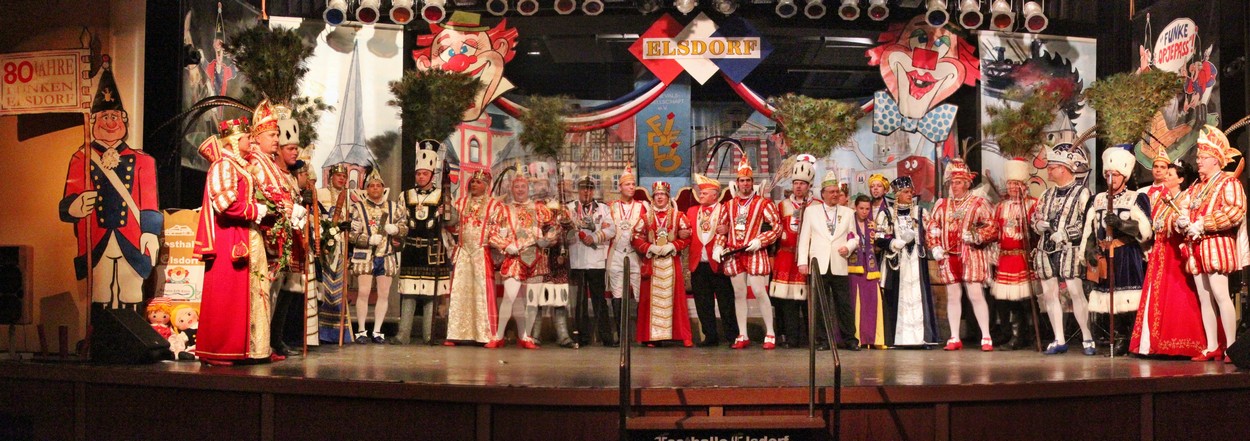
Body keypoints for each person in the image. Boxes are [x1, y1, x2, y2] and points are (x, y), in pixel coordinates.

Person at [59, 60, 162, 314]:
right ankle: (101, 343)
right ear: (94, 121)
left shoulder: (143, 161)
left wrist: (149, 231)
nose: (110, 122)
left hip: (131, 236)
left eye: (114, 116)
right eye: (104, 116)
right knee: (100, 291)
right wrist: (75, 205)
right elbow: (66, 205)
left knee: (131, 289)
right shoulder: (81, 158)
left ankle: (131, 344)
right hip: (97, 237)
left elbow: (148, 200)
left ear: (123, 120)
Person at [192, 117, 273, 366]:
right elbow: (223, 202)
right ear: (236, 141)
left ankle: (252, 348)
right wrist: (255, 210)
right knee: (229, 294)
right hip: (231, 236)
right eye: (248, 138)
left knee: (253, 292)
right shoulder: (223, 165)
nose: (251, 142)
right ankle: (224, 348)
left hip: (246, 232)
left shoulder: (239, 166)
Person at [1180, 125, 1246, 363]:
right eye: (1198, 157)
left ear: (1216, 160)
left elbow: (1235, 211)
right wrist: (1183, 221)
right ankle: (1211, 346)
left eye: (1203, 157)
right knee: (1204, 298)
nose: (1198, 161)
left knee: (1220, 294)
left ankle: (1231, 347)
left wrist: (1204, 223)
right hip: (1196, 247)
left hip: (1217, 245)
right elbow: (1184, 207)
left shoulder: (1228, 183)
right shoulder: (1197, 187)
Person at [1130, 152, 1205, 358]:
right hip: (1160, 252)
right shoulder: (1165, 200)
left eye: (1171, 174)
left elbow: (1182, 225)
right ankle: (1153, 343)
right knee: (1157, 296)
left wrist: (1179, 222)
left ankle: (1178, 343)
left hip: (1175, 254)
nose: (1167, 177)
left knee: (1177, 295)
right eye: (1167, 174)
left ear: (1180, 179)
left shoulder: (1185, 199)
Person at [1081, 145, 1152, 356]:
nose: (1111, 178)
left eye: (1115, 174)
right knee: (1108, 300)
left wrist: (1121, 224)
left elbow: (1146, 231)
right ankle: (1114, 334)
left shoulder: (1136, 198)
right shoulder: (1098, 199)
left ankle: (1128, 337)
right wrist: (1089, 251)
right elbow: (1089, 230)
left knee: (1127, 299)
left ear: (1125, 176)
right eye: (1108, 174)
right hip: (1105, 254)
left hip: (1126, 254)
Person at [927, 159, 995, 351]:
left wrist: (975, 235)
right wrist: (935, 247)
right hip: (949, 257)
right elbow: (933, 226)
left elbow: (992, 227)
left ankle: (986, 336)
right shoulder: (942, 205)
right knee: (953, 295)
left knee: (975, 294)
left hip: (971, 255)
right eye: (952, 182)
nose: (954, 186)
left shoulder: (978, 203)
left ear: (966, 183)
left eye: (958, 182)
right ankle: (954, 336)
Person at [396, 141, 456, 345]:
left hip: (433, 248)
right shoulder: (405, 195)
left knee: (431, 295)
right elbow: (400, 220)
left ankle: (429, 335)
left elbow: (453, 221)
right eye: (418, 173)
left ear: (431, 175)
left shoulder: (442, 195)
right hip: (412, 248)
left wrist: (445, 212)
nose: (420, 177)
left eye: (424, 173)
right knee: (409, 294)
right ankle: (403, 335)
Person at [488, 166, 554, 349]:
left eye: (523, 186)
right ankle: (498, 335)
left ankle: (526, 335)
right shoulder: (504, 210)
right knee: (509, 298)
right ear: (512, 189)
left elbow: (554, 229)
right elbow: (491, 233)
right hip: (515, 258)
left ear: (528, 189)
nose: (520, 190)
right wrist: (505, 245)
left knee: (531, 301)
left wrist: (547, 240)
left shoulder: (540, 209)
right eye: (516, 186)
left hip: (536, 258)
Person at [718, 156, 780, 350]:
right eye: (742, 181)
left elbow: (777, 227)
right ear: (737, 183)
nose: (745, 184)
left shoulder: (763, 203)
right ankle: (742, 333)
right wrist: (719, 246)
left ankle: (770, 332)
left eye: (748, 180)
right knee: (739, 293)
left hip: (755, 251)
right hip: (734, 253)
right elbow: (722, 228)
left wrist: (760, 241)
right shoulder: (728, 205)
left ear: (753, 183)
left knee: (760, 291)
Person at [797, 171, 860, 351]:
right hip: (818, 264)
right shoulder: (811, 211)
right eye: (831, 191)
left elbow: (855, 237)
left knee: (844, 304)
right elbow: (804, 238)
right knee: (819, 305)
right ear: (823, 193)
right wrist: (803, 261)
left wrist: (848, 247)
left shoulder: (848, 213)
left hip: (839, 262)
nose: (834, 195)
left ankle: (850, 339)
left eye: (837, 192)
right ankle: (822, 340)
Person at [267, 108, 312, 356]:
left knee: (287, 292)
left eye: (296, 148)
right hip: (275, 241)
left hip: (292, 240)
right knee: (274, 292)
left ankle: (278, 338)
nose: (295, 152)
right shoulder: (272, 172)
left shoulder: (292, 177)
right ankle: (269, 339)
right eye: (291, 148)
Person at [876, 176, 939, 347]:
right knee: (898, 296)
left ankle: (920, 338)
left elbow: (932, 230)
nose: (909, 194)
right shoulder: (886, 214)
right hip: (897, 262)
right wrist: (892, 242)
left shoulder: (920, 212)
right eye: (905, 192)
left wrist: (935, 246)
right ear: (896, 194)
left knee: (918, 296)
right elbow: (878, 237)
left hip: (916, 262)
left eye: (911, 191)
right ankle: (898, 338)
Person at [348, 170, 408, 344]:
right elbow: (351, 235)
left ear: (383, 188)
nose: (375, 188)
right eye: (372, 186)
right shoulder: (358, 208)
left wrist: (396, 230)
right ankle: (360, 330)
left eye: (378, 185)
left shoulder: (394, 207)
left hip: (386, 254)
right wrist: (367, 239)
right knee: (364, 292)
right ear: (367, 189)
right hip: (365, 255)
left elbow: (404, 228)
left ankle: (377, 330)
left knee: (383, 293)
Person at [446, 170, 506, 345]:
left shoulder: (494, 206)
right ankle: (456, 334)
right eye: (472, 182)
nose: (474, 185)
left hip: (481, 251)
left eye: (478, 183)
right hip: (464, 251)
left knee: (482, 292)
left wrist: (493, 242)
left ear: (486, 186)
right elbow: (453, 226)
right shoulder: (460, 203)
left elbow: (498, 229)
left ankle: (486, 334)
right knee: (460, 291)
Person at [631, 181, 693, 347]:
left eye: (662, 195)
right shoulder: (645, 218)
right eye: (657, 195)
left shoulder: (678, 216)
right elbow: (635, 237)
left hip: (672, 263)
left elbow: (688, 235)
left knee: (677, 300)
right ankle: (652, 337)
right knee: (650, 301)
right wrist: (649, 247)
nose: (659, 197)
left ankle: (682, 335)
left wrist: (673, 246)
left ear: (668, 197)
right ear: (653, 198)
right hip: (653, 263)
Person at [770, 155, 820, 348]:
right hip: (787, 257)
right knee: (788, 302)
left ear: (809, 185)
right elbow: (775, 232)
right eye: (796, 183)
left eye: (803, 184)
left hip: (808, 258)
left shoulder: (817, 205)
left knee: (810, 301)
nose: (799, 187)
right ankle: (791, 338)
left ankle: (812, 338)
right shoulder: (782, 206)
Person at [988, 159, 1038, 350]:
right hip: (1006, 257)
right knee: (1009, 301)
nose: (1012, 187)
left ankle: (1034, 335)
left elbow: (1037, 232)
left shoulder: (1032, 205)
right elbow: (994, 230)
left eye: (1016, 184)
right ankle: (1017, 336)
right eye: (1009, 183)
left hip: (1023, 257)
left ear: (1023, 185)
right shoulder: (1001, 206)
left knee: (1027, 300)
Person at [686, 174, 738, 347]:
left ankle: (732, 335)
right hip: (698, 264)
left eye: (704, 193)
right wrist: (681, 234)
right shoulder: (692, 211)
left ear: (714, 195)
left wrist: (728, 229)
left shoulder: (725, 210)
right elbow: (686, 231)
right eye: (700, 193)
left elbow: (739, 231)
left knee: (726, 302)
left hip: (718, 263)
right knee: (703, 303)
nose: (700, 195)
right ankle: (710, 336)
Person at [567, 176, 617, 347]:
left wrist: (595, 237)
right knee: (579, 301)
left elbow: (611, 229)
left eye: (589, 188)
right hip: (578, 260)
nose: (586, 192)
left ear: (593, 190)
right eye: (583, 188)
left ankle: (606, 336)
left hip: (596, 261)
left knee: (599, 299)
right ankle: (581, 336)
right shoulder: (570, 208)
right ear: (578, 190)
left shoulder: (602, 209)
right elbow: (563, 229)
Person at [607, 166, 646, 341]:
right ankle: (620, 333)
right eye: (628, 184)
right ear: (620, 187)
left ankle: (639, 332)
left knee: (638, 292)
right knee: (617, 293)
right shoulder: (611, 206)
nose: (632, 187)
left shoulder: (642, 206)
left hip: (634, 254)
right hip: (616, 254)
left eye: (633, 184)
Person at [316, 163, 353, 342]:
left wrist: (348, 227)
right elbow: (316, 216)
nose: (341, 179)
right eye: (338, 176)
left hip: (340, 247)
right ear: (331, 177)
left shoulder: (347, 198)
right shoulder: (321, 194)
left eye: (344, 177)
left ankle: (336, 333)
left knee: (338, 287)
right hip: (324, 247)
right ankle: (320, 332)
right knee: (324, 287)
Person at [848, 195, 886, 348]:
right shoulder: (849, 223)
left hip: (870, 267)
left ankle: (872, 338)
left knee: (871, 301)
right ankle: (856, 337)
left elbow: (878, 244)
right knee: (854, 301)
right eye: (861, 208)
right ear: (855, 208)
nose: (864, 211)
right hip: (853, 266)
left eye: (867, 209)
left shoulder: (872, 225)